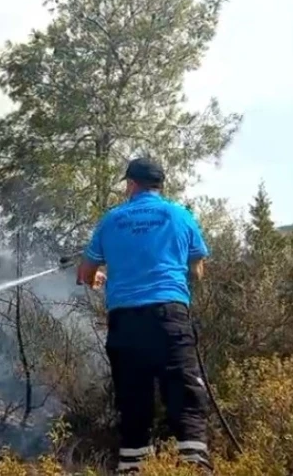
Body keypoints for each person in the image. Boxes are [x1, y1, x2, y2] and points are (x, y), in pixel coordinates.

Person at [76, 157, 212, 475]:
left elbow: (87, 272)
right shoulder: (180, 216)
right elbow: (197, 269)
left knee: (133, 402)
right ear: (159, 185)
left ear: (131, 184)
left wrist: (98, 277)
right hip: (170, 317)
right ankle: (195, 467)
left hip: (125, 324)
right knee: (185, 396)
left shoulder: (112, 220)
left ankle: (133, 467)